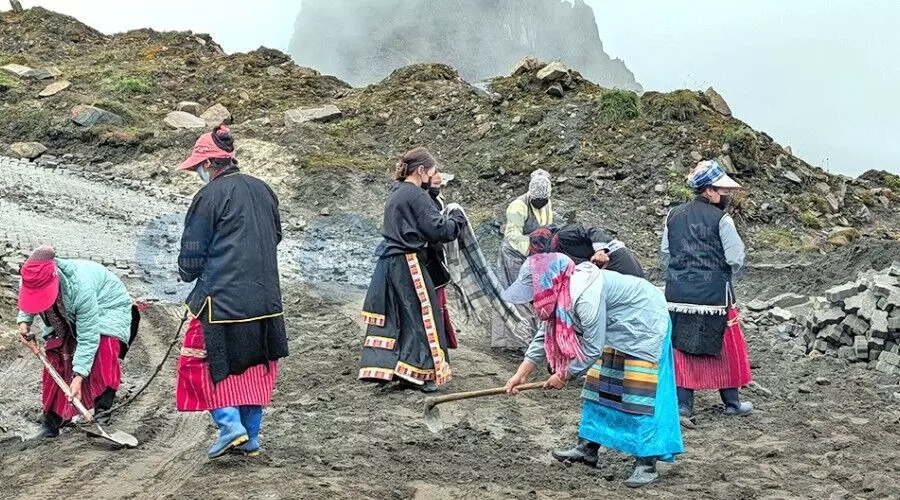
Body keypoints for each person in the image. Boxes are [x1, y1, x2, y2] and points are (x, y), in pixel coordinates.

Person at [502, 253, 683, 488]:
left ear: (549, 283)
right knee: (599, 384)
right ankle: (587, 448)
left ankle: (646, 462)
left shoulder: (584, 295)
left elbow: (592, 349)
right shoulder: (558, 294)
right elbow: (543, 335)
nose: (530, 300)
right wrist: (521, 373)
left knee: (638, 391)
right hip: (614, 325)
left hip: (644, 321)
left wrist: (563, 375)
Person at [175, 125, 289, 459]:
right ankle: (250, 437)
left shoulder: (208, 196)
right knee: (255, 364)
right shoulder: (263, 189)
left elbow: (193, 250)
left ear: (209, 163)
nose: (197, 171)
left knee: (198, 362)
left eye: (199, 166)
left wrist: (187, 273)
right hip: (266, 296)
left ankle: (229, 426)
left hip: (220, 299)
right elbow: (277, 236)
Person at [358, 147, 467, 392]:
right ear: (421, 170)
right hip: (408, 261)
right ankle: (421, 373)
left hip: (390, 263)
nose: (433, 176)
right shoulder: (415, 195)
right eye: (432, 171)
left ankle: (399, 369)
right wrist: (457, 218)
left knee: (400, 316)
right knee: (422, 315)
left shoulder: (398, 192)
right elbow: (440, 230)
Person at [660, 159, 752, 418]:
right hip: (714, 296)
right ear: (709, 191)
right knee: (726, 346)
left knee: (682, 347)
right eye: (723, 191)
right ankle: (732, 404)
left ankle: (684, 406)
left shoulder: (672, 215)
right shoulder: (723, 220)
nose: (726, 196)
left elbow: (666, 252)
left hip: (677, 295)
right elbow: (735, 258)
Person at [16, 245, 136, 439]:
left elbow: (88, 338)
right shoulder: (30, 277)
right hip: (70, 309)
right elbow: (28, 299)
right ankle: (51, 422)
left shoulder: (80, 288)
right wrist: (24, 323)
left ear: (54, 282)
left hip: (108, 305)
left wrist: (78, 377)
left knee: (103, 350)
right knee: (56, 356)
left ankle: (102, 413)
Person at [491, 169, 555, 349]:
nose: (540, 204)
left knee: (534, 294)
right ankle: (513, 342)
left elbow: (546, 226)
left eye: (543, 201)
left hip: (533, 256)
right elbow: (512, 234)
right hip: (513, 255)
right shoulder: (518, 206)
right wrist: (531, 246)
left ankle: (531, 338)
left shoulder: (547, 204)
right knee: (515, 293)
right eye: (537, 201)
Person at [528, 225, 645, 278]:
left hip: (614, 257)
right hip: (602, 271)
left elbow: (593, 231)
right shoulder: (558, 255)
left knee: (639, 291)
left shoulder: (563, 235)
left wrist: (599, 250)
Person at [424, 171, 459, 350]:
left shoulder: (437, 200)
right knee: (429, 305)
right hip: (426, 261)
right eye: (433, 174)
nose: (438, 178)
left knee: (436, 303)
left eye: (439, 174)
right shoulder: (422, 202)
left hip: (436, 260)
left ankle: (439, 344)